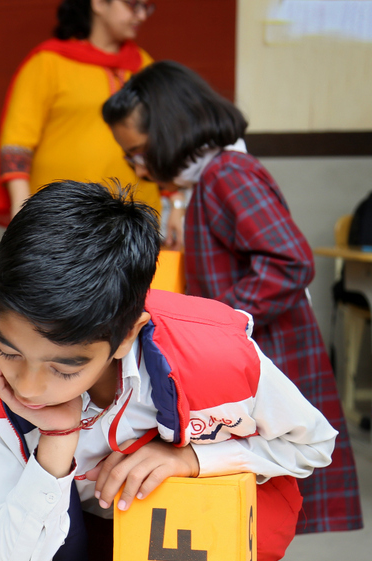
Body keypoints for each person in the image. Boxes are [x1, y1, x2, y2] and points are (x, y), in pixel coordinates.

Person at [0, 181, 334, 561]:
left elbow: (314, 445)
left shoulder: (218, 356)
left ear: (127, 336)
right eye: (9, 352)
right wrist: (57, 440)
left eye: (65, 367)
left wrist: (194, 458)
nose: (28, 388)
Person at [102, 61, 363, 535]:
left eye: (139, 151)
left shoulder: (228, 174)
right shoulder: (207, 179)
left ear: (173, 129)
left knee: (278, 481)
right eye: (129, 159)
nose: (138, 167)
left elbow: (289, 262)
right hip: (251, 352)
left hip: (265, 354)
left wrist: (221, 327)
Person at [0, 0, 163, 228]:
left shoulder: (145, 66)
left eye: (147, 6)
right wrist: (21, 210)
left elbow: (164, 142)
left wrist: (175, 204)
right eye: (133, 5)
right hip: (61, 219)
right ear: (97, 3)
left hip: (134, 219)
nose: (142, 15)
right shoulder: (48, 63)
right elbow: (16, 145)